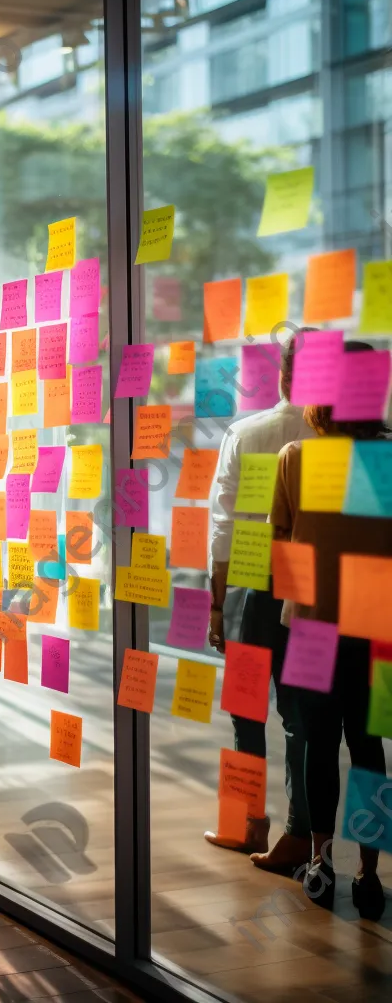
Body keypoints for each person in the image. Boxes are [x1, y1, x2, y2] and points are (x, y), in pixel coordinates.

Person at [270, 340, 391, 919]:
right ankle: (371, 873)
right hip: (378, 630)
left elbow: (284, 544)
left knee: (319, 747)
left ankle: (321, 861)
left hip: (313, 626)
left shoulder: (295, 457)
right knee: (369, 748)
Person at [205, 336, 314, 872]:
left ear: (282, 375)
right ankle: (299, 831)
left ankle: (248, 823)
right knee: (300, 717)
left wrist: (215, 604)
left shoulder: (246, 433)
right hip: (309, 590)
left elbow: (223, 528)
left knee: (246, 709)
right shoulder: (331, 439)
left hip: (249, 580)